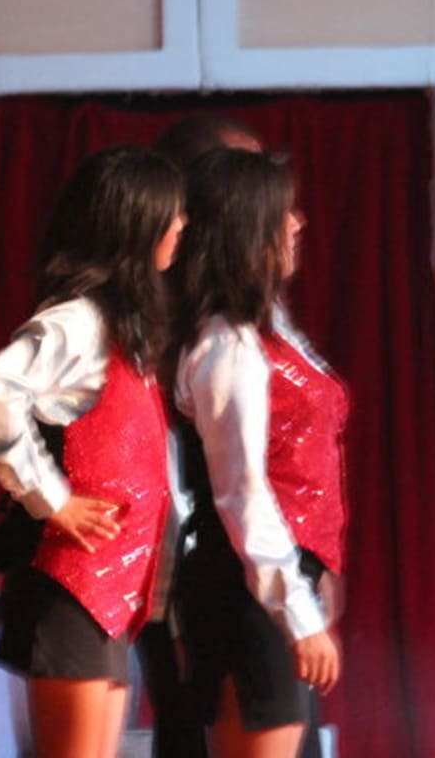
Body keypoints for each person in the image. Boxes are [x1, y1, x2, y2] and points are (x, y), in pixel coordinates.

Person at [0, 145, 187, 758]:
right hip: (76, 587)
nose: (181, 225)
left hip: (110, 594)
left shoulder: (123, 331)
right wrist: (52, 499)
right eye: (171, 213)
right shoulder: (77, 323)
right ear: (135, 223)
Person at [168, 148, 346, 758]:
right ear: (246, 230)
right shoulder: (227, 344)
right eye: (282, 213)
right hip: (244, 589)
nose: (297, 223)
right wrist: (295, 610)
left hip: (274, 581)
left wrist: (314, 575)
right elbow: (242, 492)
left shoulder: (264, 327)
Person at [142, 112, 263, 758]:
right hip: (184, 575)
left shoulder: (245, 307)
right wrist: (172, 591)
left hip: (259, 566)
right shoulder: (150, 317)